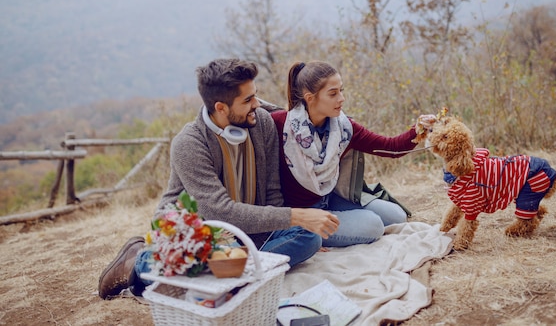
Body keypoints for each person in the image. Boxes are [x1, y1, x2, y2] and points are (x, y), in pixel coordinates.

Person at [98, 58, 339, 299]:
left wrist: (290, 228)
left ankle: (236, 271)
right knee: (223, 267)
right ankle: (137, 261)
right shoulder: (189, 143)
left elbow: (273, 194)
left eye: (255, 95)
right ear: (221, 107)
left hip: (246, 234)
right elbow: (219, 212)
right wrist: (297, 215)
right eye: (247, 100)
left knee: (308, 238)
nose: (257, 104)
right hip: (200, 234)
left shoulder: (262, 123)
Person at [271, 61, 433, 248]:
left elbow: (391, 147)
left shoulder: (344, 128)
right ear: (310, 97)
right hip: (303, 215)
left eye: (341, 90)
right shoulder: (279, 125)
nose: (341, 98)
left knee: (397, 215)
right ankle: (311, 236)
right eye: (333, 93)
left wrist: (418, 128)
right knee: (373, 226)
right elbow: (252, 116)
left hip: (329, 199)